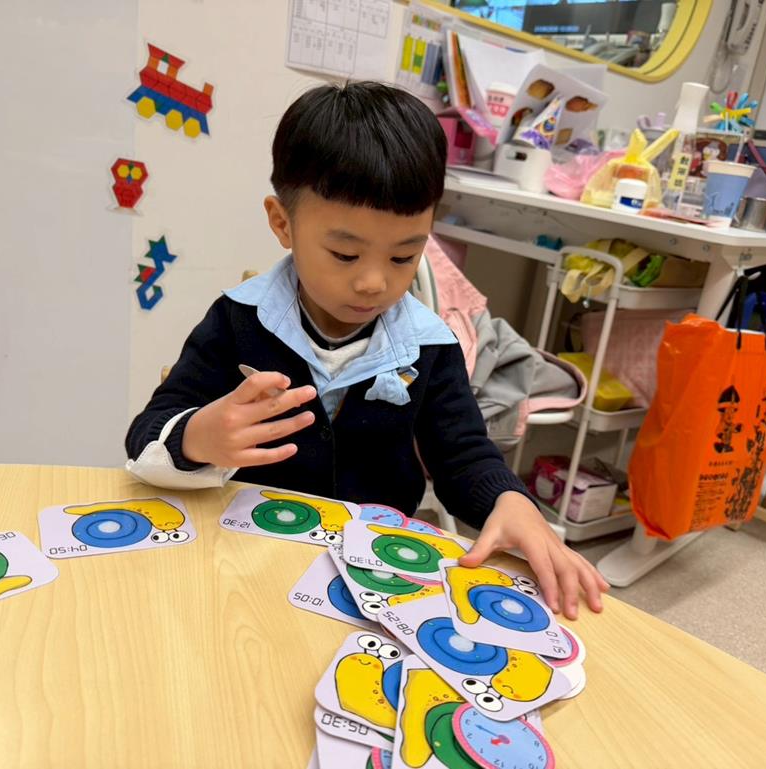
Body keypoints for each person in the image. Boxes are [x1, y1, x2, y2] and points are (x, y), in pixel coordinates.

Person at [125, 82, 607, 618]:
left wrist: (509, 500)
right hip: (243, 561)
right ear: (282, 223)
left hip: (370, 572)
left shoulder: (429, 344)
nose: (374, 283)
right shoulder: (239, 319)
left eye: (404, 257)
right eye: (345, 254)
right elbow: (145, 435)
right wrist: (197, 437)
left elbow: (464, 456)